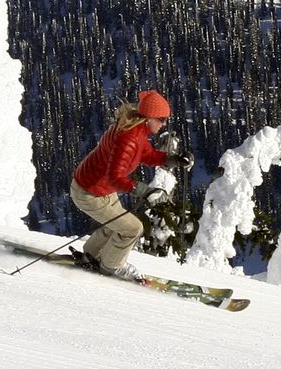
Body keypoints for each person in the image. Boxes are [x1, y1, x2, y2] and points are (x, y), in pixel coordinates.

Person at [70, 89, 193, 280]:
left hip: (95, 187)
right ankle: (111, 266)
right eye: (161, 119)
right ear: (149, 117)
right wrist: (143, 190)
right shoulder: (129, 138)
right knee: (133, 229)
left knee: (116, 224)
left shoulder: (135, 131)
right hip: (91, 192)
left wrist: (173, 159)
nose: (164, 124)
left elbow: (146, 154)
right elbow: (114, 177)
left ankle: (91, 255)